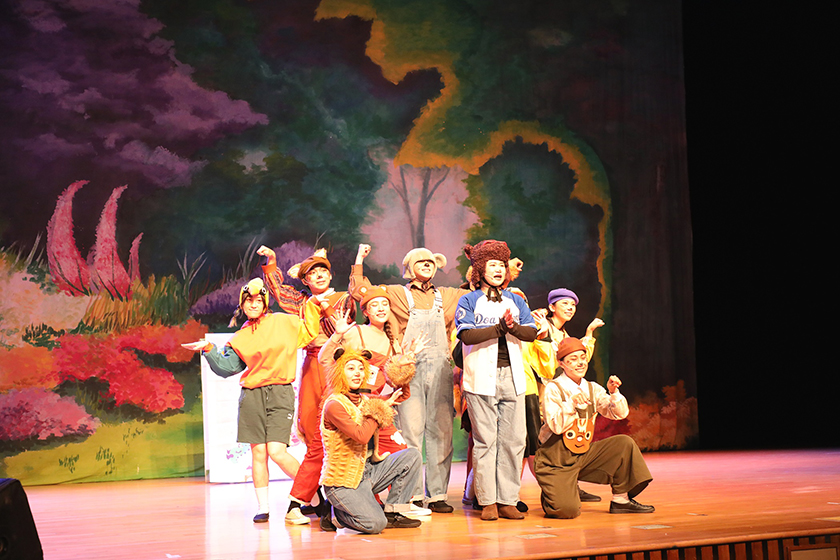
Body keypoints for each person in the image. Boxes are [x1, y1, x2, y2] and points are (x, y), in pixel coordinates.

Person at [181, 278, 315, 523]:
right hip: (252, 395)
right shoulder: (241, 336)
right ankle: (263, 508)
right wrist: (208, 348)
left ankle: (313, 497)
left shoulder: (284, 321)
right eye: (249, 300)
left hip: (280, 392)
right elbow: (226, 368)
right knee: (259, 453)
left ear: (265, 303)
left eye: (258, 300)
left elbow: (311, 330)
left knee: (277, 451)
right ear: (242, 305)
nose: (253, 304)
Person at [349, 244, 470, 513]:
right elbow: (362, 292)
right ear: (409, 267)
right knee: (410, 432)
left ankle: (437, 495)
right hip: (409, 369)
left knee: (441, 433)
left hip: (440, 369)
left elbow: (477, 293)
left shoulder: (448, 295)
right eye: (421, 261)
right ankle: (411, 493)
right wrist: (359, 261)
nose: (427, 264)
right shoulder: (396, 293)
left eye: (430, 262)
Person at [256, 245, 355, 525]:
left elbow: (341, 327)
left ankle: (333, 498)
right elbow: (278, 291)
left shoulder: (343, 298)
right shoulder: (302, 302)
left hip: (337, 363)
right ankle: (315, 496)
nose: (319, 275)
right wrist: (272, 261)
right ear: (306, 280)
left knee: (338, 428)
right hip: (312, 364)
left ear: (330, 275)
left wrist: (323, 305)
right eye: (312, 273)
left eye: (323, 270)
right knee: (311, 427)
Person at [455, 240, 538, 521]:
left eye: (502, 265)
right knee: (485, 441)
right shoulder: (469, 300)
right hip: (480, 378)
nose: (499, 270)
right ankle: (487, 500)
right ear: (480, 269)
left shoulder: (516, 300)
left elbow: (531, 333)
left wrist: (512, 327)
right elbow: (467, 335)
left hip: (512, 377)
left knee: (514, 441)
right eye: (492, 265)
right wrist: (499, 328)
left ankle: (507, 499)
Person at [535, 337, 654, 518]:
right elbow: (556, 426)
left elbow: (619, 414)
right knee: (567, 511)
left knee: (624, 444)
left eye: (583, 358)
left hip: (583, 453)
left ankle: (621, 500)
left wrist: (614, 393)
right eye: (573, 359)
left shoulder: (592, 388)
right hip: (556, 460)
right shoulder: (553, 388)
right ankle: (554, 491)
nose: (580, 363)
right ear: (561, 363)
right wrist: (571, 404)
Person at [319, 348, 424, 533]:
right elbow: (361, 435)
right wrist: (379, 409)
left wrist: (401, 370)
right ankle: (338, 514)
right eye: (351, 368)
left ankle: (394, 513)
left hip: (367, 473)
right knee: (375, 524)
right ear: (340, 372)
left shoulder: (364, 400)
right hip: (342, 482)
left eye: (361, 369)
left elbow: (401, 395)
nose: (357, 373)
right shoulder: (334, 405)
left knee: (412, 456)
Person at [535, 287, 605, 503]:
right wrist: (542, 336)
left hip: (562, 396)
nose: (570, 308)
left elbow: (577, 360)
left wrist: (589, 334)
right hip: (544, 394)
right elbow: (546, 364)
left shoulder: (564, 334)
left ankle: (570, 485)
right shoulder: (542, 326)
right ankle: (555, 488)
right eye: (564, 303)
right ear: (551, 307)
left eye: (573, 305)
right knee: (543, 444)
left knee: (569, 438)